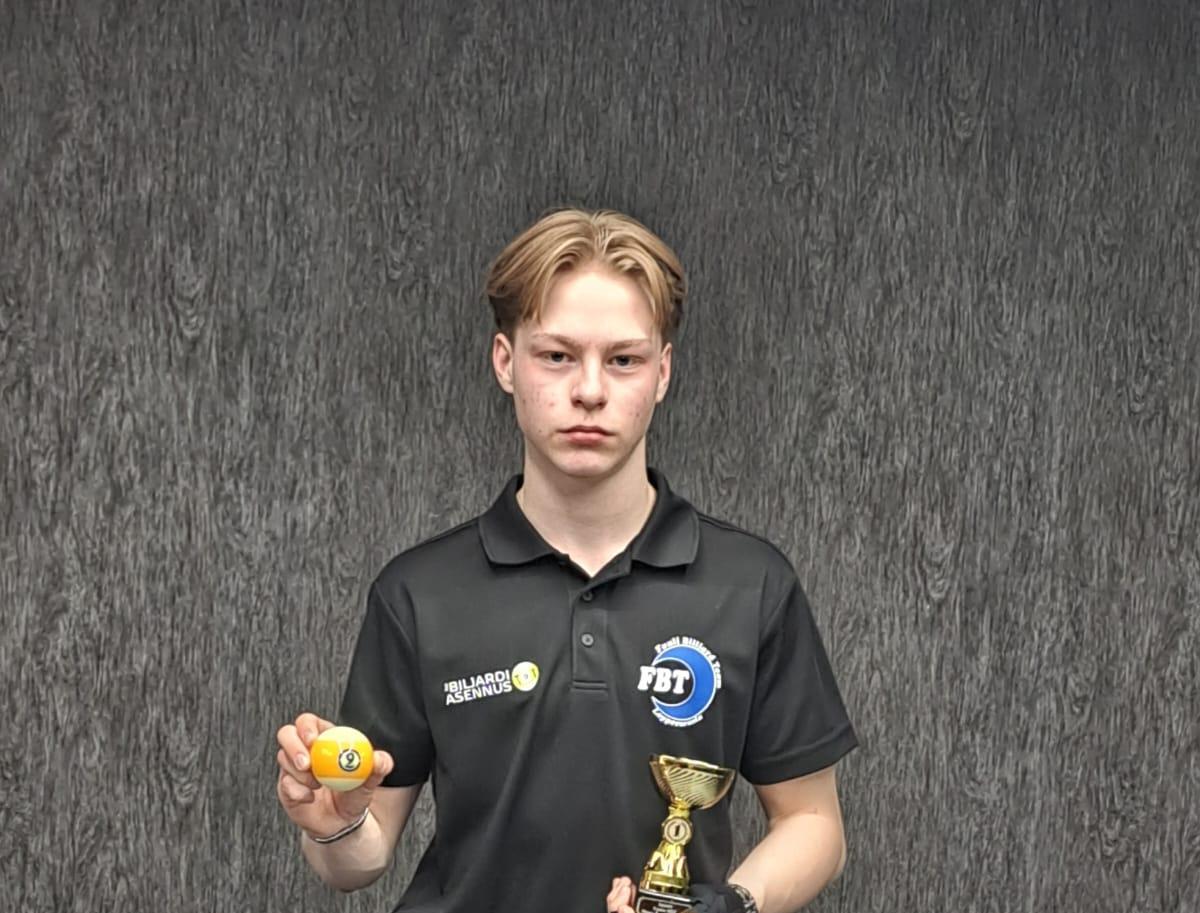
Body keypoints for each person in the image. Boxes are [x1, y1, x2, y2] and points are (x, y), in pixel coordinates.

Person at [274, 207, 858, 913]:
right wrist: (334, 825)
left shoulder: (752, 585)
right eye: (556, 355)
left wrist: (731, 906)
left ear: (663, 372)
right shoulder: (418, 593)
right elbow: (359, 859)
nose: (589, 390)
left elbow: (814, 824)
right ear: (505, 362)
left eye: (623, 359)